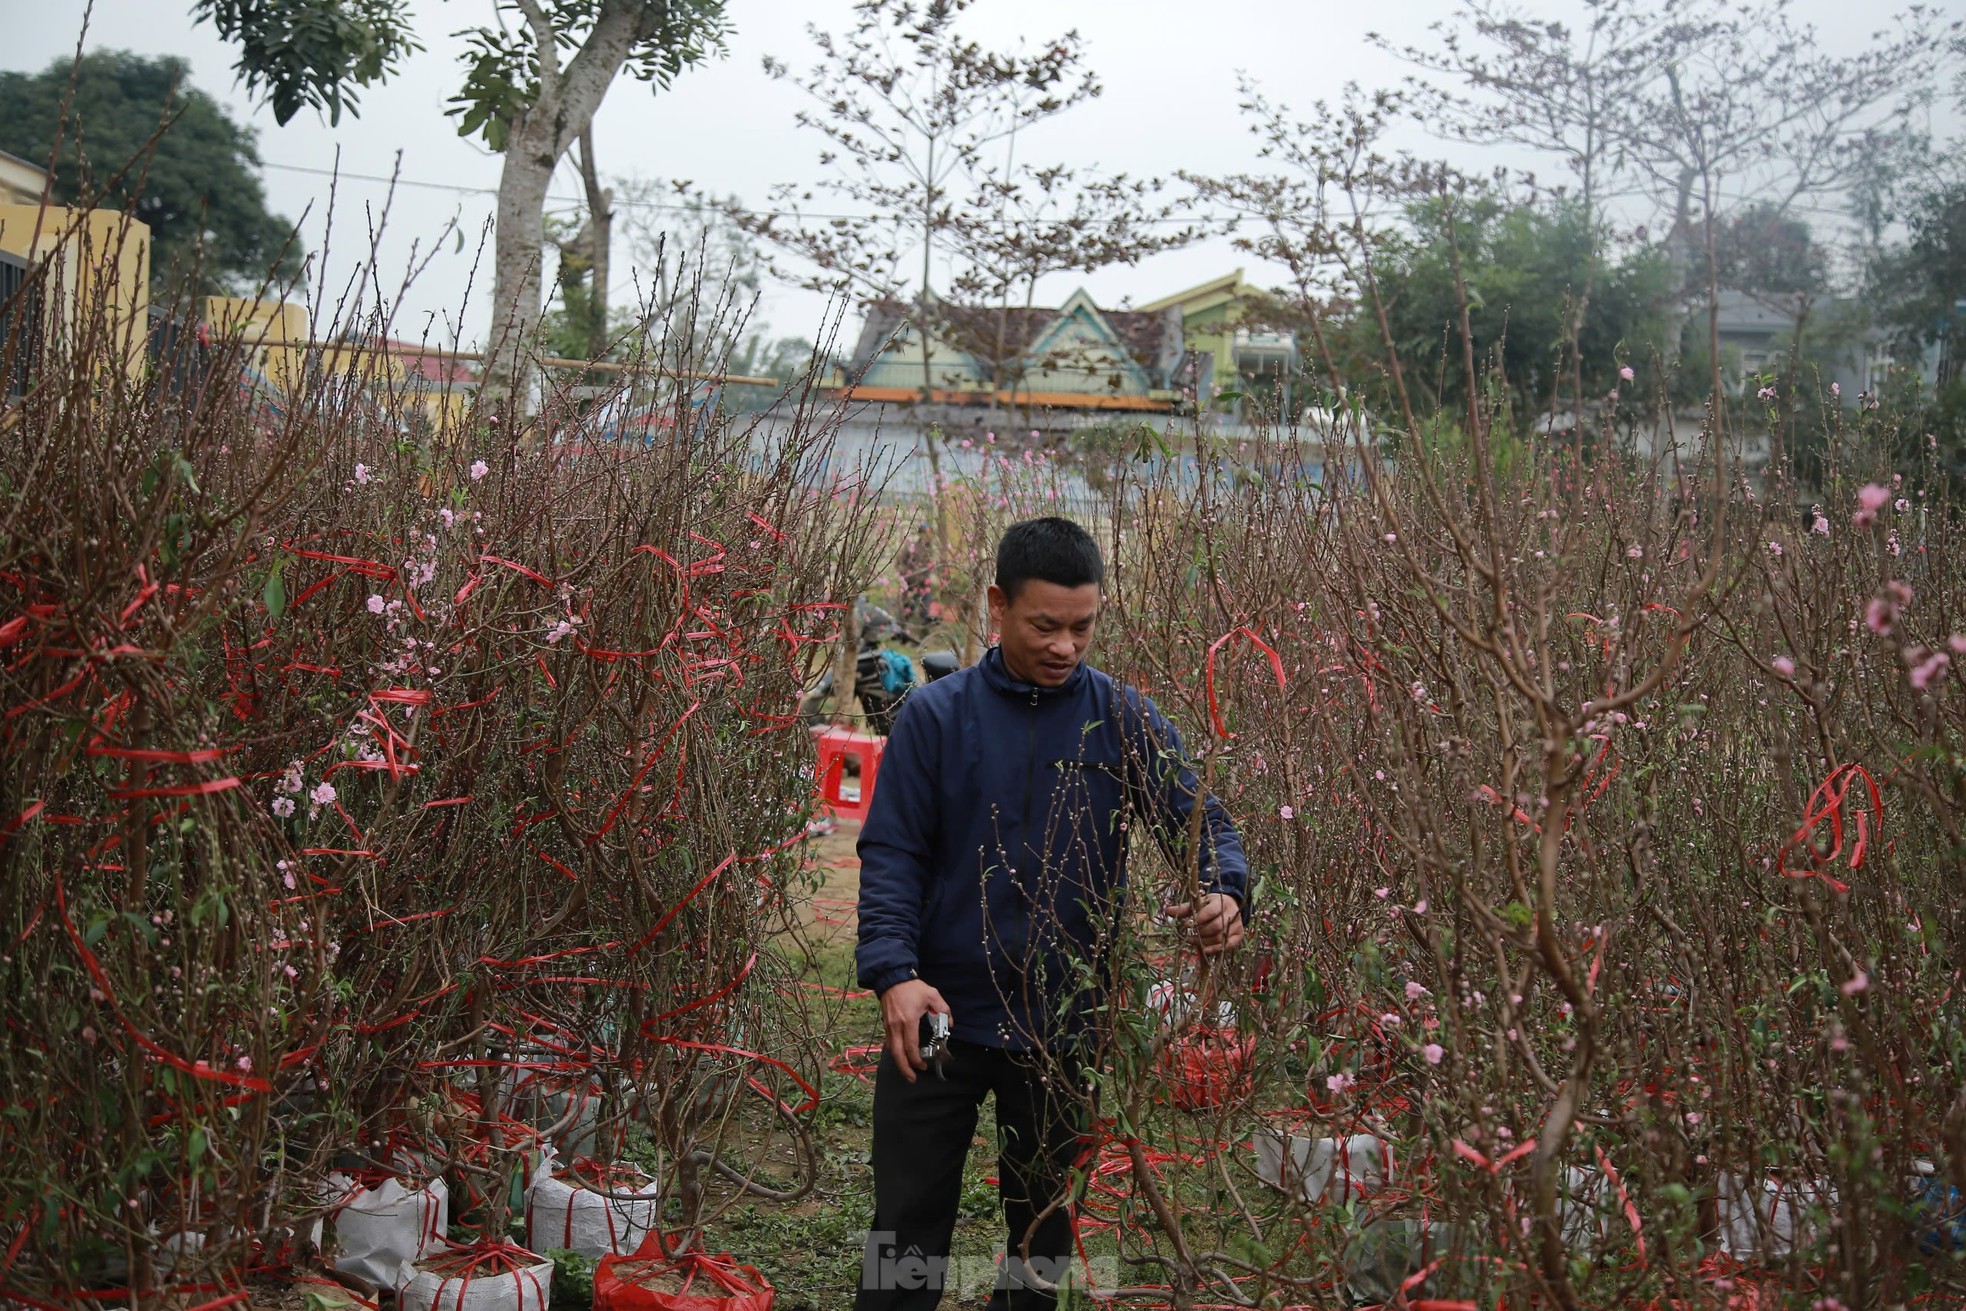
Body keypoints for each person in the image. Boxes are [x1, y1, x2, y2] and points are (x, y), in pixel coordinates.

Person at [853, 516, 1249, 1311]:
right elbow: (891, 855)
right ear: (998, 606)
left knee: (1041, 1234)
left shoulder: (1122, 719)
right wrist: (895, 973)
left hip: (1064, 1025)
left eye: (1083, 626)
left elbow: (1203, 820)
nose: (1066, 645)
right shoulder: (935, 720)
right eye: (1045, 625)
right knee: (906, 1230)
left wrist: (1224, 890)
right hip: (938, 1016)